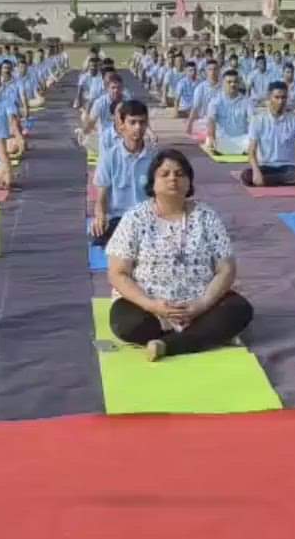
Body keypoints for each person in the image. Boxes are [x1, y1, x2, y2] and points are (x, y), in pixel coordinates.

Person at [104, 149, 253, 362]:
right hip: (150, 307)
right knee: (128, 324)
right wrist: (152, 305)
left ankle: (167, 344)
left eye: (180, 174)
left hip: (200, 305)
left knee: (239, 310)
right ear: (152, 182)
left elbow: (226, 269)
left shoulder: (206, 216)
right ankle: (202, 336)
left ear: (189, 182)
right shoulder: (134, 218)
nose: (173, 178)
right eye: (165, 174)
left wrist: (200, 305)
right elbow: (118, 273)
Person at [90, 100, 155, 246]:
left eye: (142, 122)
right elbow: (101, 197)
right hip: (119, 219)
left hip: (147, 220)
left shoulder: (155, 158)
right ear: (122, 125)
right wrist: (100, 216)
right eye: (132, 122)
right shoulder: (109, 157)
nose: (138, 127)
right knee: (99, 238)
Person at [243, 81, 295, 187]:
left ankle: (271, 181)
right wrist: (256, 171)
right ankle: (281, 180)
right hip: (266, 166)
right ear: (269, 97)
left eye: (284, 97)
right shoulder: (257, 120)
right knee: (246, 175)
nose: (280, 101)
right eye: (276, 97)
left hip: (289, 166)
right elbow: (251, 150)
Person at [204, 69, 253, 155]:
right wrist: (211, 136)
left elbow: (253, 121)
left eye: (235, 82)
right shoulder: (216, 100)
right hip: (223, 139)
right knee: (209, 141)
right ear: (223, 83)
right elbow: (211, 119)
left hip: (242, 139)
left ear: (239, 83)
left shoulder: (247, 101)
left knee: (256, 141)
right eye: (229, 82)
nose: (232, 84)